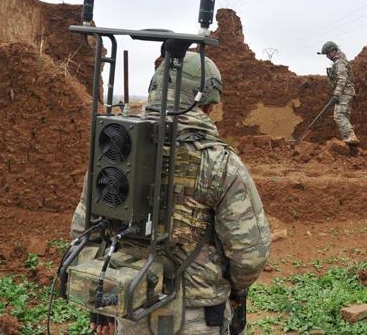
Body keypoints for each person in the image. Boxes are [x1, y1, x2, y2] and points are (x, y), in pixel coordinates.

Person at [70, 50, 271, 334]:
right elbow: (250, 255)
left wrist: (99, 304)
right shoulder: (220, 163)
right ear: (205, 103)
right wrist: (235, 290)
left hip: (131, 307)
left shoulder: (114, 154)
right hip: (197, 317)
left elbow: (84, 232)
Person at [318, 41, 359, 145]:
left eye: (327, 54)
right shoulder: (341, 60)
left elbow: (342, 79)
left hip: (344, 93)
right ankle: (348, 143)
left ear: (333, 51)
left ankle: (351, 136)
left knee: (339, 115)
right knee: (344, 116)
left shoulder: (339, 62)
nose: (327, 56)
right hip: (347, 92)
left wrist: (337, 94)